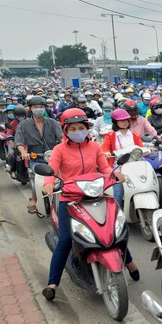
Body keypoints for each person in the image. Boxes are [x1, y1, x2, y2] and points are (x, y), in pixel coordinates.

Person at [41, 109, 138, 302]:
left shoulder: (94, 147)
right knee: (65, 241)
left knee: (112, 230)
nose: (78, 131)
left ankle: (129, 262)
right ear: (65, 130)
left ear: (87, 128)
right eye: (73, 128)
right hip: (70, 198)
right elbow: (51, 171)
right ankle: (52, 284)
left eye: (82, 128)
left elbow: (105, 168)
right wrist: (48, 184)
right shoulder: (60, 150)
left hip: (96, 194)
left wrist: (115, 174)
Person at [15, 97, 63, 213]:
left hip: (54, 157)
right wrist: (23, 152)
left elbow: (61, 138)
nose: (39, 109)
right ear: (30, 109)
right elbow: (19, 142)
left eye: (41, 107)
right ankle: (34, 197)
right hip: (36, 158)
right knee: (36, 178)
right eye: (36, 107)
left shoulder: (52, 122)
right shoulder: (23, 124)